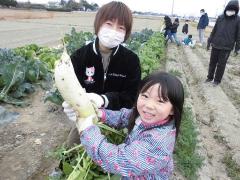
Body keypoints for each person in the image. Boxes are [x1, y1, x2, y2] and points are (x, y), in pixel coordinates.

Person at [67, 71, 184, 179]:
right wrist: (100, 114)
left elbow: (117, 160)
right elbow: (124, 117)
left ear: (173, 110)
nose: (149, 105)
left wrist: (88, 131)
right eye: (145, 96)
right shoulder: (146, 117)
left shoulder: (158, 142)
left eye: (160, 101)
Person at [63, 1, 141, 147]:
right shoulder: (79, 57)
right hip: (86, 119)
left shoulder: (131, 60)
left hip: (118, 120)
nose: (114, 31)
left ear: (126, 33)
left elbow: (131, 97)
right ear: (98, 24)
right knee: (71, 150)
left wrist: (104, 100)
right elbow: (71, 89)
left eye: (121, 27)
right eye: (109, 24)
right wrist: (70, 105)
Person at [205, 0, 240, 86]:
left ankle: (217, 80)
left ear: (236, 10)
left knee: (221, 65)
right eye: (229, 8)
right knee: (212, 62)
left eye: (233, 9)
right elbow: (214, 30)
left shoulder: (238, 20)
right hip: (216, 44)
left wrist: (237, 48)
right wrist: (209, 41)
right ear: (226, 8)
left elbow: (238, 35)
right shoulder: (220, 18)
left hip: (227, 47)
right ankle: (210, 77)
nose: (231, 11)